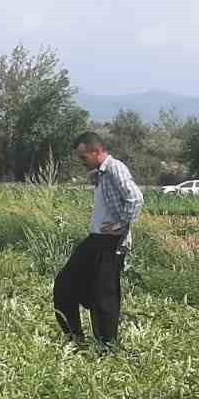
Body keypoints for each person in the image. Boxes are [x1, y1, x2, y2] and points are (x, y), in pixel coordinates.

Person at [53, 131, 144, 346]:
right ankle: (76, 337)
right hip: (96, 240)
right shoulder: (102, 173)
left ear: (96, 151)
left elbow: (136, 198)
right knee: (65, 286)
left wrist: (122, 226)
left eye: (84, 157)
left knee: (104, 296)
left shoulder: (114, 168)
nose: (82, 161)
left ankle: (107, 346)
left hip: (108, 243)